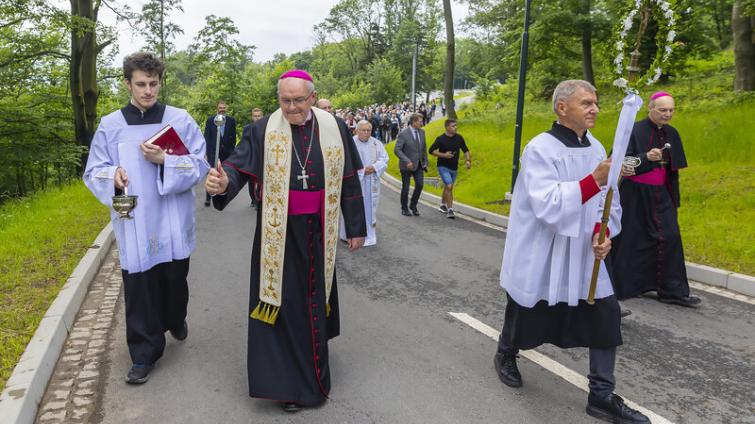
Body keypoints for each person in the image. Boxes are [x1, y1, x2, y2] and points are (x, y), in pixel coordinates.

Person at [204, 69, 366, 413]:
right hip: (279, 233)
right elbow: (237, 167)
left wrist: (356, 227)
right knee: (285, 304)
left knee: (313, 299)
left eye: (298, 100)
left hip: (320, 229)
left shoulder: (334, 127)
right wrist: (223, 183)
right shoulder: (262, 130)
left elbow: (350, 176)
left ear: (312, 96)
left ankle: (313, 359)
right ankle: (290, 384)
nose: (291, 108)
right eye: (284, 100)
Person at [493, 80, 649, 423]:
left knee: (605, 314)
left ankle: (602, 396)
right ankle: (506, 352)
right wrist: (596, 177)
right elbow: (547, 203)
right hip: (544, 247)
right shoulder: (540, 149)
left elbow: (608, 202)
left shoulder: (594, 147)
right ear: (562, 108)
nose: (594, 108)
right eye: (586, 103)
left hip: (582, 251)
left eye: (596, 103)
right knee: (525, 308)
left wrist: (602, 232)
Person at [83, 52, 209, 384]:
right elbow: (93, 170)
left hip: (172, 216)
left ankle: (175, 316)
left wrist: (165, 159)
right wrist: (113, 175)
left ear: (160, 82)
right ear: (128, 83)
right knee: (139, 285)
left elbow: (200, 164)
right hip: (136, 220)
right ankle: (143, 353)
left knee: (173, 281)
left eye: (153, 84)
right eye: (141, 84)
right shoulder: (111, 125)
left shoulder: (179, 119)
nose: (148, 91)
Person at [609, 92, 700, 307]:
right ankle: (626, 288)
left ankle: (672, 290)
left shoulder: (673, 133)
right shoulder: (633, 129)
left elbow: (672, 170)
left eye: (671, 110)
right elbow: (618, 161)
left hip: (662, 194)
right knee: (631, 241)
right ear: (650, 108)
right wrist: (645, 158)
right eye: (663, 110)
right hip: (635, 194)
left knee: (669, 237)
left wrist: (673, 198)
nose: (667, 114)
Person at [340, 120, 388, 246]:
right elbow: (345, 161)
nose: (366, 133)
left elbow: (384, 159)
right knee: (354, 207)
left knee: (370, 209)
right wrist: (362, 171)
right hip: (356, 182)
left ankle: (369, 235)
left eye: (369, 130)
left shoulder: (376, 143)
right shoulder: (350, 143)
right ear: (357, 130)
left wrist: (373, 168)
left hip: (371, 182)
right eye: (363, 130)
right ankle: (349, 235)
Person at [428, 119, 471, 219]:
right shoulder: (441, 139)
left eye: (456, 126)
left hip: (454, 168)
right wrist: (444, 155)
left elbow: (465, 149)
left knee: (448, 187)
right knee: (449, 185)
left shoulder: (459, 138)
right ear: (447, 127)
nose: (455, 127)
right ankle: (450, 210)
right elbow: (431, 150)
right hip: (443, 166)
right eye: (453, 126)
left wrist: (468, 160)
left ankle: (443, 205)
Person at [394, 113, 428, 216]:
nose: (422, 123)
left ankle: (413, 205)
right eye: (420, 121)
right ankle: (404, 208)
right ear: (413, 122)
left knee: (420, 185)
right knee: (406, 187)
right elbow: (397, 150)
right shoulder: (403, 134)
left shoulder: (422, 132)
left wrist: (425, 162)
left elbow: (423, 148)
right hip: (406, 166)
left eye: (422, 121)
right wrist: (406, 161)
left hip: (419, 165)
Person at [204, 101, 237, 206]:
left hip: (226, 153)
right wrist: (206, 153)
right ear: (217, 108)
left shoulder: (231, 121)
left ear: (226, 109)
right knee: (212, 174)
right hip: (213, 153)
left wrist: (231, 151)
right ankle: (208, 198)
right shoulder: (210, 121)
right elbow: (206, 137)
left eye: (224, 107)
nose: (222, 109)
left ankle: (222, 197)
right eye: (220, 107)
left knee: (224, 174)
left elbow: (233, 137)